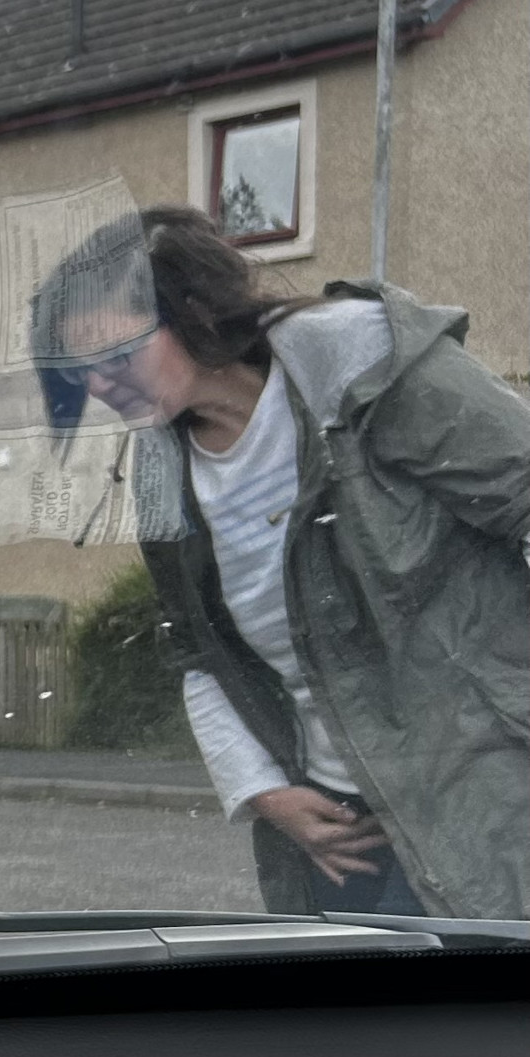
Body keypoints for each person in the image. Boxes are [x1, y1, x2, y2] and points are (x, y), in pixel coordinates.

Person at [32, 203, 530, 919]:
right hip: (340, 828)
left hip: (488, 792)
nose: (101, 386)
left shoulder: (367, 371)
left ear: (194, 312)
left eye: (117, 356)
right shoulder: (160, 470)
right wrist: (263, 793)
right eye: (83, 372)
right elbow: (196, 652)